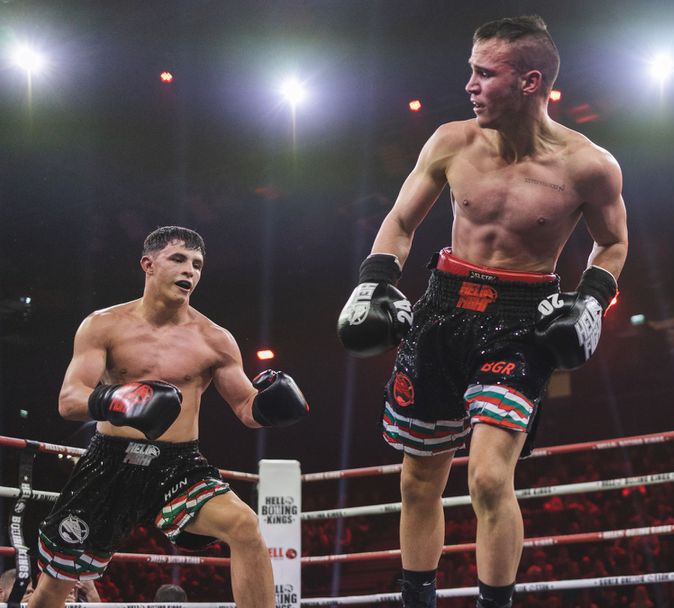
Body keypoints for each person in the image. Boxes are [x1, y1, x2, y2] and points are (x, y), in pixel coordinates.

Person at [338, 15, 628, 608]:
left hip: (521, 322)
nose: (470, 85)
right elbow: (400, 222)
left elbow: (614, 242)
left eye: (484, 73)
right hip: (443, 309)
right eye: (471, 70)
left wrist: (592, 301)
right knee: (418, 480)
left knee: (491, 478)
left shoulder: (588, 164)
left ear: (530, 81)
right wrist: (373, 282)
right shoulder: (452, 141)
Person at [30, 226, 310, 607]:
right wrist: (121, 400)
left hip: (177, 466)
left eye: (197, 264)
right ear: (148, 264)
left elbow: (246, 407)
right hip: (110, 463)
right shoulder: (103, 325)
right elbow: (69, 399)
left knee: (244, 526)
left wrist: (270, 406)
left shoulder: (214, 339)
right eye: (178, 259)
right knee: (52, 590)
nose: (189, 270)